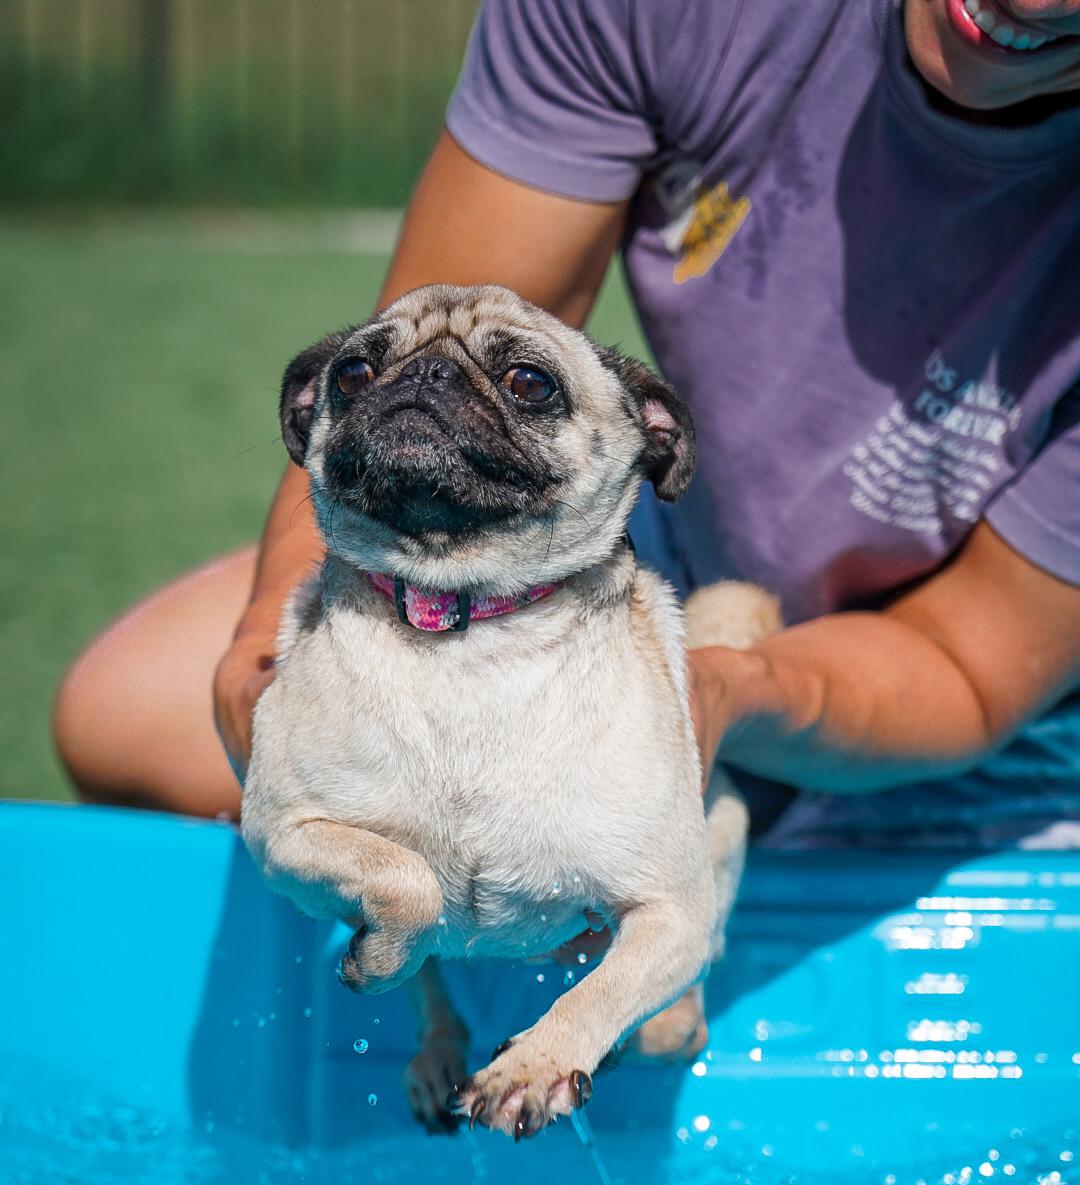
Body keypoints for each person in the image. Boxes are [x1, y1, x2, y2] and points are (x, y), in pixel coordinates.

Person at [55, 0, 1080, 850]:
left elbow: (964, 663)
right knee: (130, 711)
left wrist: (718, 694)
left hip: (993, 700)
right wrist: (278, 655)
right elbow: (417, 371)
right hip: (656, 550)